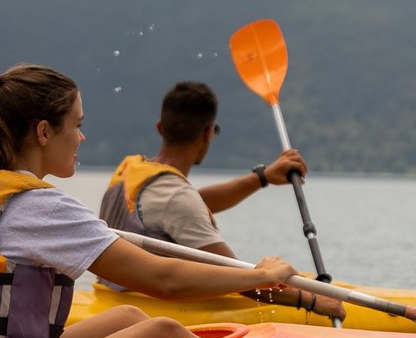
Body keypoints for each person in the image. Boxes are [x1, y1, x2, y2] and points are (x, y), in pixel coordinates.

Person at [0, 64, 301, 338]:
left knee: (130, 316)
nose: (81, 138)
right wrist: (261, 276)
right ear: (43, 132)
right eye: (76, 124)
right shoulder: (40, 208)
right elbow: (164, 279)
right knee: (164, 329)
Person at [98, 81, 345, 320]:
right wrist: (312, 300)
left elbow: (191, 205)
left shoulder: (133, 169)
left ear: (160, 128)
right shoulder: (177, 199)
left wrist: (262, 177)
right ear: (207, 134)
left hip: (108, 299)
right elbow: (242, 280)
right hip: (149, 311)